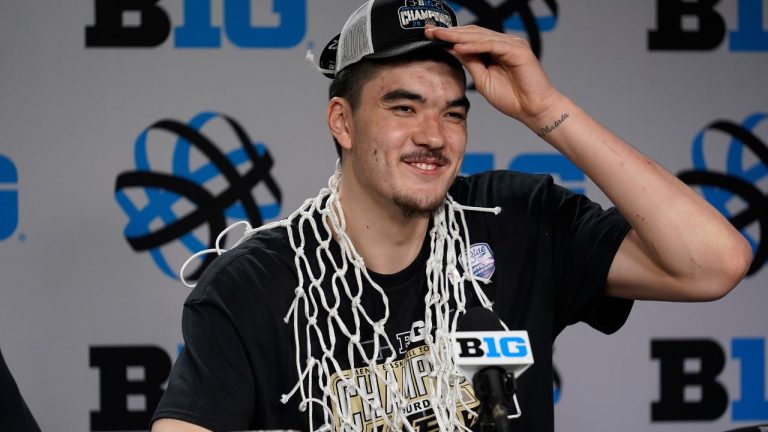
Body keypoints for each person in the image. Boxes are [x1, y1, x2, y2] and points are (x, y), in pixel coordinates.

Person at [151, 0, 752, 431]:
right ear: (343, 122)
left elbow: (713, 264)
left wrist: (545, 109)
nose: (433, 136)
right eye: (403, 107)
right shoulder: (251, 285)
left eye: (454, 113)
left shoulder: (514, 219)